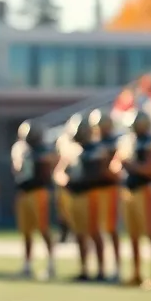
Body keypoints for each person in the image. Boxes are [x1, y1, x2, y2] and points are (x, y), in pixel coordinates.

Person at [110, 109, 151, 287]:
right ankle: (136, 273)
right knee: (133, 235)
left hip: (145, 189)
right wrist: (121, 167)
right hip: (128, 191)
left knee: (149, 233)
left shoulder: (150, 142)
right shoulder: (127, 141)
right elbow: (115, 164)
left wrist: (132, 166)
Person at [54, 114, 107, 281]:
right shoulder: (70, 149)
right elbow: (58, 172)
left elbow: (99, 173)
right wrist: (65, 180)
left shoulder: (96, 149)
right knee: (78, 233)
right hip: (74, 196)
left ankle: (101, 270)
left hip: (91, 194)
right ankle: (84, 269)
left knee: (94, 232)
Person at [10, 121, 56, 280]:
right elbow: (17, 169)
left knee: (43, 229)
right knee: (26, 231)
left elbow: (48, 167)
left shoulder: (43, 150)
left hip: (38, 192)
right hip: (23, 192)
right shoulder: (20, 149)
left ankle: (51, 264)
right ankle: (27, 266)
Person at [88, 109, 124, 282]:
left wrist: (106, 171)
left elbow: (116, 169)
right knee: (94, 230)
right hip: (93, 189)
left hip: (109, 189)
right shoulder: (92, 142)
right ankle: (100, 268)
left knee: (110, 229)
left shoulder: (115, 142)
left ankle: (117, 267)